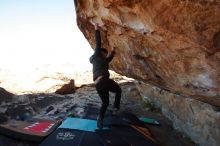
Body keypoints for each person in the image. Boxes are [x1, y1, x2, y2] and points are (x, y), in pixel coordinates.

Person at [89, 24, 122, 129]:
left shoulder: (101, 60)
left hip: (98, 84)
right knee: (118, 90)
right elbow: (98, 43)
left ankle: (100, 118)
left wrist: (113, 51)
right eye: (105, 53)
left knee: (105, 102)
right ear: (102, 52)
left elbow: (109, 58)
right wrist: (96, 29)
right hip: (103, 80)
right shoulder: (97, 55)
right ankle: (116, 109)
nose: (106, 55)